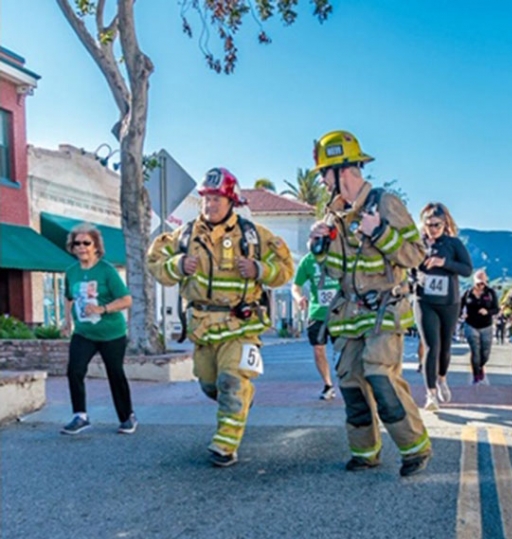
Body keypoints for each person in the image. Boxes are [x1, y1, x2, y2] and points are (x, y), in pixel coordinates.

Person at [147, 167, 294, 467]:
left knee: (230, 381)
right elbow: (155, 262)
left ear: (231, 202)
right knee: (210, 385)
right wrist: (176, 265)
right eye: (206, 199)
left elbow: (286, 268)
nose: (209, 205)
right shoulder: (185, 235)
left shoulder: (253, 235)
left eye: (216, 199)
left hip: (241, 325)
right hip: (203, 327)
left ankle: (225, 446)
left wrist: (260, 270)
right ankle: (243, 396)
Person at [308, 130, 432, 477]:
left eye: (324, 173)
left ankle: (415, 448)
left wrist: (380, 232)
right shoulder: (333, 216)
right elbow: (335, 269)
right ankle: (365, 452)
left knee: (380, 375)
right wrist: (320, 246)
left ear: (342, 170)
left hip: (383, 311)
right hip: (348, 315)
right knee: (350, 384)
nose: (321, 180)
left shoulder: (385, 202)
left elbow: (415, 255)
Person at [60, 224, 136, 435]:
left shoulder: (107, 271)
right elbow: (69, 298)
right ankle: (80, 416)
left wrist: (103, 308)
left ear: (95, 246)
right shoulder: (71, 272)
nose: (81, 247)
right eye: (77, 243)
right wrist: (67, 322)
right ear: (72, 247)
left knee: (115, 373)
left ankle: (127, 416)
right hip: (84, 333)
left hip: (112, 333)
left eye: (86, 243)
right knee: (74, 370)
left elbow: (126, 300)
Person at [414, 202, 473, 411]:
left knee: (445, 346)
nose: (433, 229)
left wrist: (443, 263)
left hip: (449, 302)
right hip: (425, 301)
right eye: (429, 225)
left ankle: (442, 379)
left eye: (437, 225)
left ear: (445, 223)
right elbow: (409, 267)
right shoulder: (419, 244)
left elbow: (467, 270)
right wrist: (415, 277)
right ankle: (430, 394)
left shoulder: (454, 244)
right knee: (431, 346)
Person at [292, 246, 340, 400]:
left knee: (345, 351)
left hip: (339, 313)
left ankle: (350, 383)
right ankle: (328, 385)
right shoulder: (308, 260)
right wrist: (299, 298)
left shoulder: (339, 254)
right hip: (317, 313)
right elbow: (296, 285)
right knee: (318, 350)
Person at [461, 269, 500, 385]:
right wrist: (461, 315)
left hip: (486, 326)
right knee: (475, 351)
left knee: (485, 353)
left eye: (482, 283)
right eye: (478, 283)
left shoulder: (490, 293)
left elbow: (496, 309)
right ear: (474, 282)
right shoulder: (468, 293)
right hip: (471, 325)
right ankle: (476, 374)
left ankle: (481, 365)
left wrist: (487, 311)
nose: (480, 286)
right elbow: (459, 306)